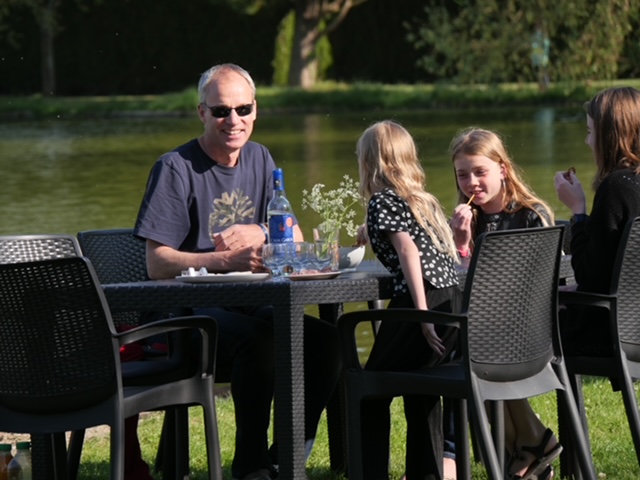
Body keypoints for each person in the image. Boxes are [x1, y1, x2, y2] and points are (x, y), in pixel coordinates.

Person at [133, 63, 341, 480]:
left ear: (255, 110)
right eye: (221, 111)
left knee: (324, 339)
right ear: (202, 113)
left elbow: (294, 233)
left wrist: (261, 229)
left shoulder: (260, 158)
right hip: (181, 315)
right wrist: (221, 260)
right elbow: (157, 264)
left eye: (243, 109)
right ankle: (250, 466)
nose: (234, 121)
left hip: (246, 305)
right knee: (262, 339)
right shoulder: (174, 168)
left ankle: (287, 455)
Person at [449, 127, 561, 480]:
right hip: (486, 330)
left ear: (503, 168)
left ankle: (529, 443)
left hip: (532, 329)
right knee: (461, 344)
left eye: (480, 172)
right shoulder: (469, 221)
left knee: (468, 351)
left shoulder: (532, 214)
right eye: (462, 175)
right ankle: (530, 442)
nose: (471, 183)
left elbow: (539, 283)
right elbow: (458, 287)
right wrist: (461, 245)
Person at [355, 120, 462, 480]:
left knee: (369, 390)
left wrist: (421, 313)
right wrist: (367, 230)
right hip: (452, 300)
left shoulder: (382, 200)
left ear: (369, 161)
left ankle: (370, 473)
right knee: (421, 387)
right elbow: (421, 240)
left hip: (423, 301)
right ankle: (426, 474)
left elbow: (409, 251)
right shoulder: (422, 201)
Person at [554, 86, 640, 356]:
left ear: (609, 136)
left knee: (518, 324)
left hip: (613, 330)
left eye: (591, 132)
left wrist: (578, 211)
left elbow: (590, 277)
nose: (587, 142)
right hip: (633, 322)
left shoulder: (616, 187)